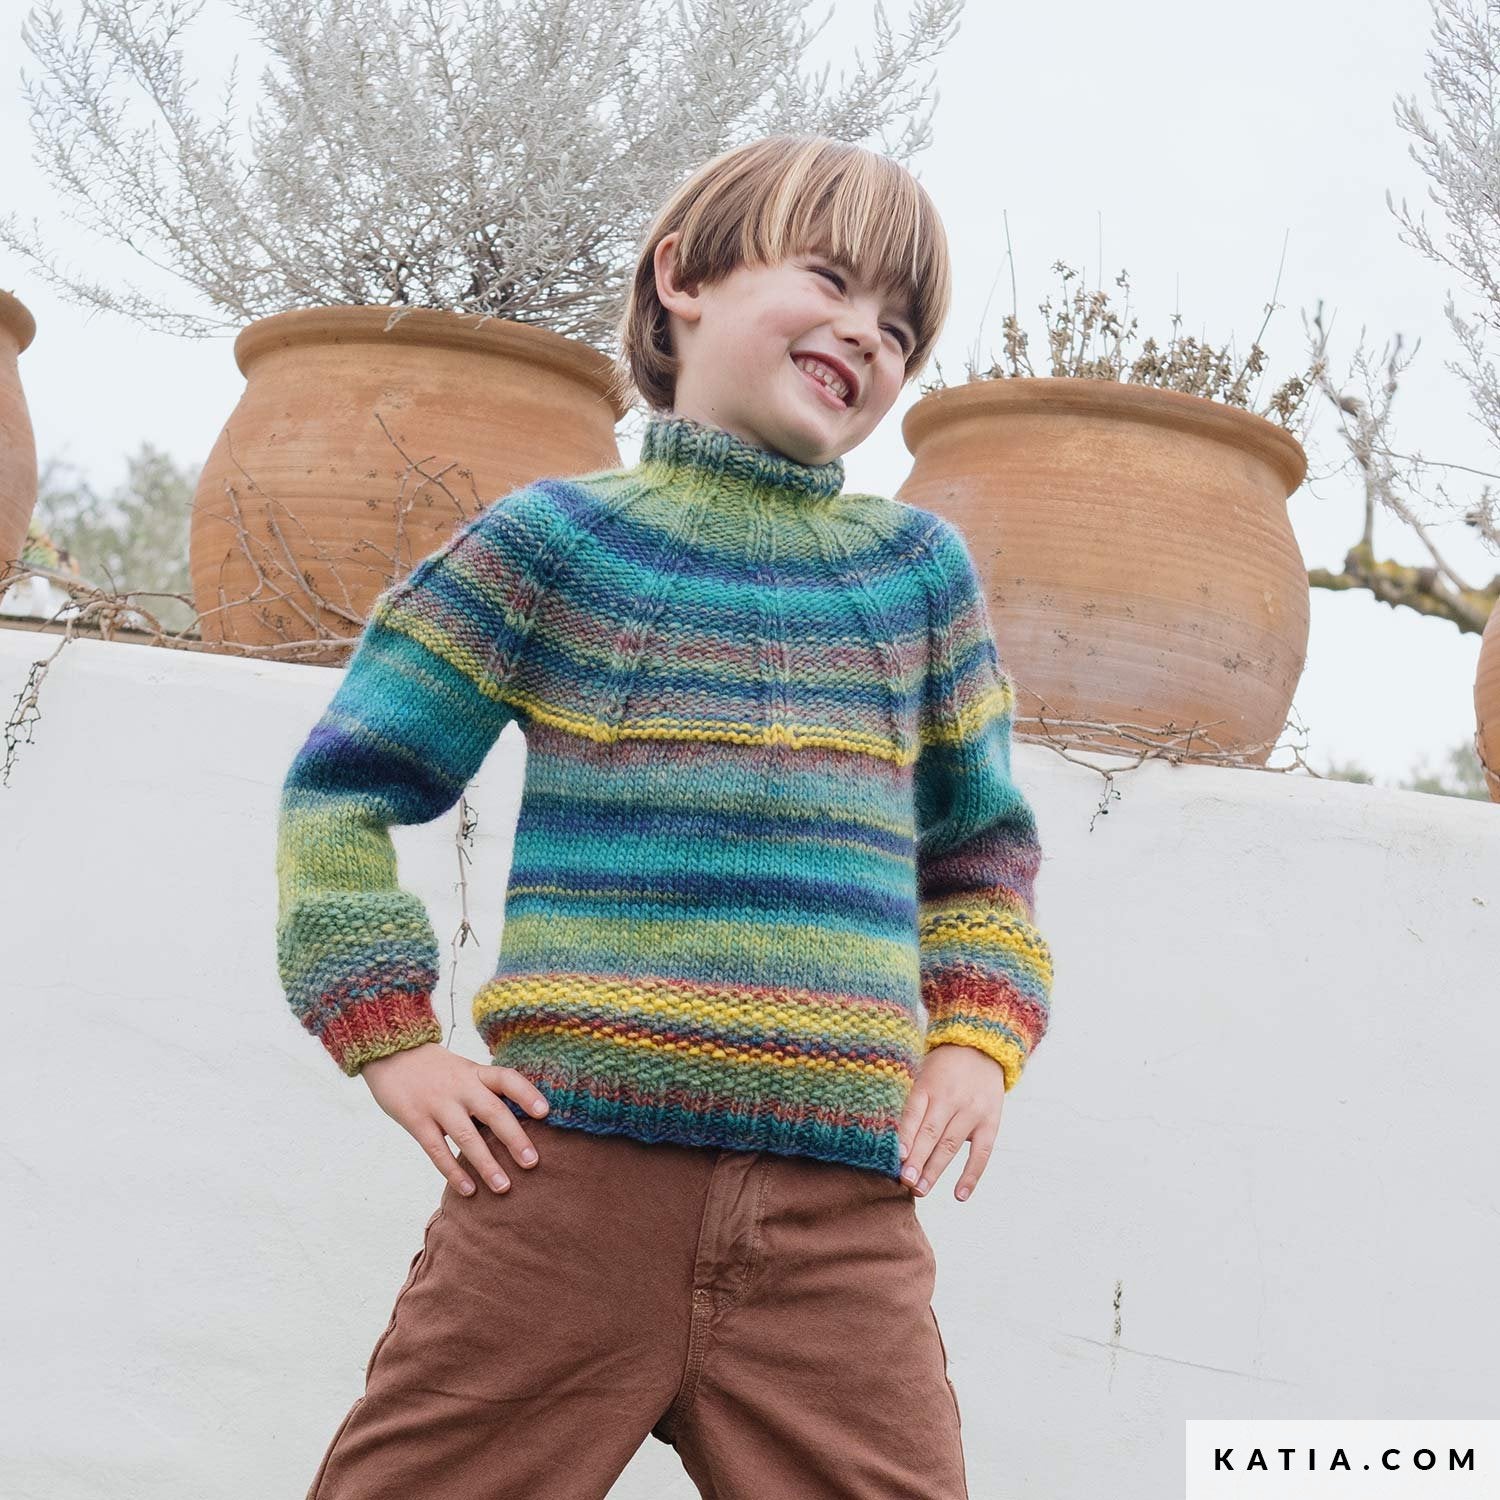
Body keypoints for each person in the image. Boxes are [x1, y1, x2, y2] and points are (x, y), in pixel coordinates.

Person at [276, 132, 1054, 1500]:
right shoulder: (552, 545)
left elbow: (981, 857)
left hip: (837, 1228)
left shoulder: (918, 576)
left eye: (899, 329)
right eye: (831, 281)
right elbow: (345, 788)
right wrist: (390, 1041)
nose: (865, 336)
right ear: (683, 278)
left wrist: (977, 1042)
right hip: (565, 1197)